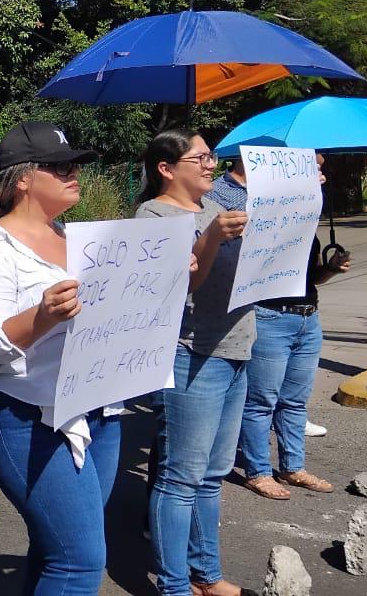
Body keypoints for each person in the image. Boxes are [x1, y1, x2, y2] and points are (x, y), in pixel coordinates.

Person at [0, 121, 122, 596]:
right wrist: (43, 315)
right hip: (27, 415)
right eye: (61, 166)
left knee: (56, 548)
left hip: (97, 409)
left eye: (75, 165)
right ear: (23, 178)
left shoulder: (77, 237)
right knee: (79, 562)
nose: (75, 174)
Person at [135, 128, 251, 596]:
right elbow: (183, 286)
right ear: (167, 168)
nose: (211, 165)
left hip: (238, 348)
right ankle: (174, 584)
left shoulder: (215, 211)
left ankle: (207, 575)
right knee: (180, 478)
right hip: (193, 354)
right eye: (201, 158)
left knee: (211, 475)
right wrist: (211, 239)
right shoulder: (154, 215)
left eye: (212, 157)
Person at [207, 156, 349, 499]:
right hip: (269, 317)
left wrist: (329, 269)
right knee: (261, 401)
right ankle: (257, 471)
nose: (320, 170)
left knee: (296, 401)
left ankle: (292, 467)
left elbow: (308, 276)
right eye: (311, 165)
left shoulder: (303, 211)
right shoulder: (261, 208)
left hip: (307, 316)